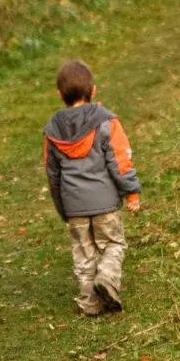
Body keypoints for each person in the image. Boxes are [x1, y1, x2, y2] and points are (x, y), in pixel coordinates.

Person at [43, 59, 142, 315]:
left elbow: (52, 174)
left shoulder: (53, 130)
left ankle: (90, 303)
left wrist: (63, 207)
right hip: (105, 203)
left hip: (74, 205)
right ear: (93, 91)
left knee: (84, 255)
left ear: (60, 95)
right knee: (113, 245)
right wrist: (131, 193)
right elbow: (120, 161)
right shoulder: (106, 122)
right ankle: (107, 278)